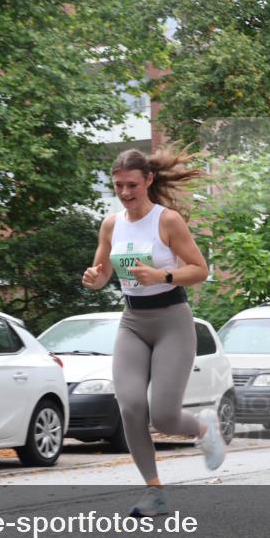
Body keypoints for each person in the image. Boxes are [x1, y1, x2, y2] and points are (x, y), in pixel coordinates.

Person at [82, 146, 225, 517]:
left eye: (132, 185)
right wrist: (94, 279)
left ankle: (204, 429)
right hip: (132, 321)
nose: (125, 193)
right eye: (118, 186)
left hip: (171, 320)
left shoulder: (168, 221)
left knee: (162, 416)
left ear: (148, 181)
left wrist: (162, 275)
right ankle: (154, 490)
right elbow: (101, 274)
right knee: (129, 406)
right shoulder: (111, 224)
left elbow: (199, 269)